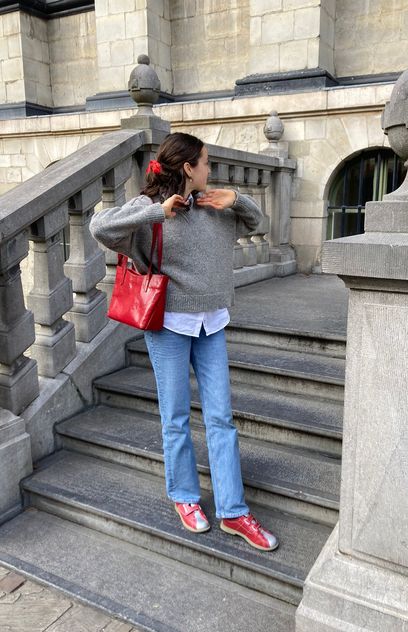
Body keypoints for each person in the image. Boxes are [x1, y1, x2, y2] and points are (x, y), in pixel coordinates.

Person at [90, 132, 278, 552]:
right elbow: (99, 227)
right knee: (175, 418)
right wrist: (156, 213)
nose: (211, 170)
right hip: (168, 325)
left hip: (212, 323)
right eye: (206, 163)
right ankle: (185, 497)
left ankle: (233, 511)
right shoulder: (150, 208)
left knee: (221, 419)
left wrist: (238, 200)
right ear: (187, 168)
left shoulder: (215, 205)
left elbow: (260, 224)